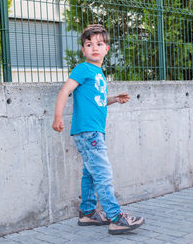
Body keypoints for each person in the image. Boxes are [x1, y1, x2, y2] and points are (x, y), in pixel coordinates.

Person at [52, 24, 145, 235]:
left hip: (93, 132)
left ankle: (87, 212)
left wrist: (114, 99)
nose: (94, 47)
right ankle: (116, 217)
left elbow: (98, 102)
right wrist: (58, 117)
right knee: (103, 173)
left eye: (99, 44)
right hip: (88, 132)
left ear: (107, 49)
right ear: (83, 50)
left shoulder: (98, 73)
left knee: (91, 174)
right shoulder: (83, 69)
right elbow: (65, 90)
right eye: (89, 44)